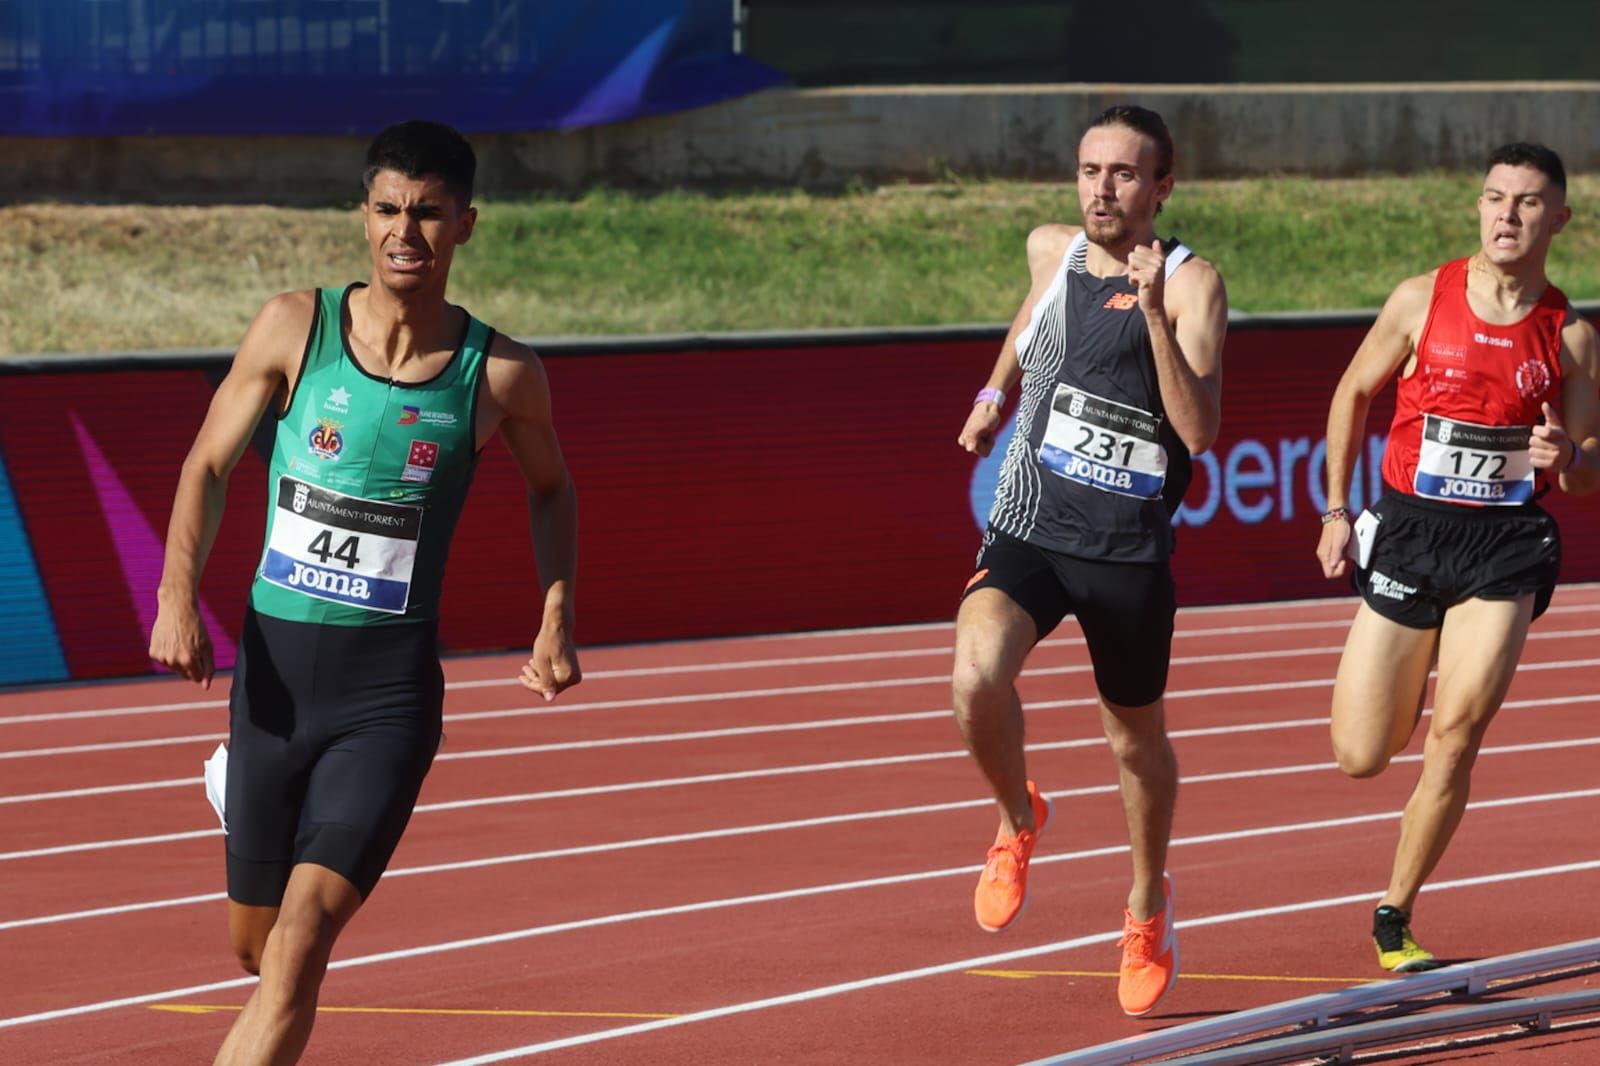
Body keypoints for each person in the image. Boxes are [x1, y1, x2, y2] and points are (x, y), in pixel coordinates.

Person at [148, 119, 581, 1064]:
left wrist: (555, 616)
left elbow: (552, 488)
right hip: (270, 689)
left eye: (428, 213)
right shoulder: (291, 326)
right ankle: (246, 794)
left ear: (465, 224)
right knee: (254, 951)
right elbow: (209, 465)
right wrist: (176, 592)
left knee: (299, 947)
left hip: (382, 700)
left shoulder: (500, 374)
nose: (405, 233)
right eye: (388, 209)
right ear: (363, 214)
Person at [953, 105, 1227, 1016]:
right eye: (1088, 171)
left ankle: (1147, 903)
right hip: (1031, 521)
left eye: (1122, 174)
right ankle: (1018, 817)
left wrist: (1150, 312)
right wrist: (995, 392)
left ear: (1162, 186)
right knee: (974, 678)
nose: (1101, 189)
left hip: (1126, 547)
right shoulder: (1052, 250)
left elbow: (1197, 429)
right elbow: (1026, 328)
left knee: (1133, 740)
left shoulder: (1193, 286)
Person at [1316, 142, 1599, 972]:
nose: (1507, 215)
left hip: (1504, 547)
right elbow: (1350, 393)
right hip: (1410, 530)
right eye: (1494, 198)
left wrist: (1571, 460)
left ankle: (1394, 915)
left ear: (1559, 219)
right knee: (1363, 753)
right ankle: (1406, 671)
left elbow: (1589, 470)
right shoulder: (1421, 299)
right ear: (1479, 207)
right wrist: (1338, 511)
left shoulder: (1572, 335)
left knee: (1458, 734)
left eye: (1526, 202)